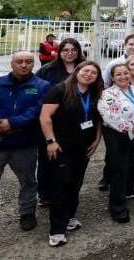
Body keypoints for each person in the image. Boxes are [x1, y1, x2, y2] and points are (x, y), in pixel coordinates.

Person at [0, 51, 50, 234]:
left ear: (33, 64)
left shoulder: (42, 86)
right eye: (19, 61)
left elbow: (37, 110)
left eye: (28, 61)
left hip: (24, 144)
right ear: (12, 64)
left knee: (28, 181)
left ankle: (27, 213)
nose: (24, 65)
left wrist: (12, 123)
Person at [39, 61, 103, 246]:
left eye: (93, 73)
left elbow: (98, 119)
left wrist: (97, 139)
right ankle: (57, 231)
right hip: (62, 147)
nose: (89, 74)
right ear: (77, 71)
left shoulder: (95, 93)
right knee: (62, 185)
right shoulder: (60, 90)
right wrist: (51, 141)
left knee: (76, 183)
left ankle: (69, 217)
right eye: (85, 70)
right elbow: (45, 117)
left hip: (84, 147)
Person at [98, 64, 134, 222]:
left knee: (132, 164)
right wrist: (131, 128)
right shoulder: (106, 94)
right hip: (118, 135)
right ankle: (117, 208)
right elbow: (108, 116)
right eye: (118, 74)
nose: (123, 76)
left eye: (125, 73)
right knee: (119, 169)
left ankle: (127, 191)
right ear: (112, 77)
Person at [35, 37, 86, 206]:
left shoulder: (85, 68)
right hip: (50, 121)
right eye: (65, 50)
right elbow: (36, 90)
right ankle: (45, 194)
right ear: (59, 51)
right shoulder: (48, 69)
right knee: (47, 158)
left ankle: (67, 193)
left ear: (78, 51)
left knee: (70, 161)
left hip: (77, 123)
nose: (69, 53)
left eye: (73, 50)